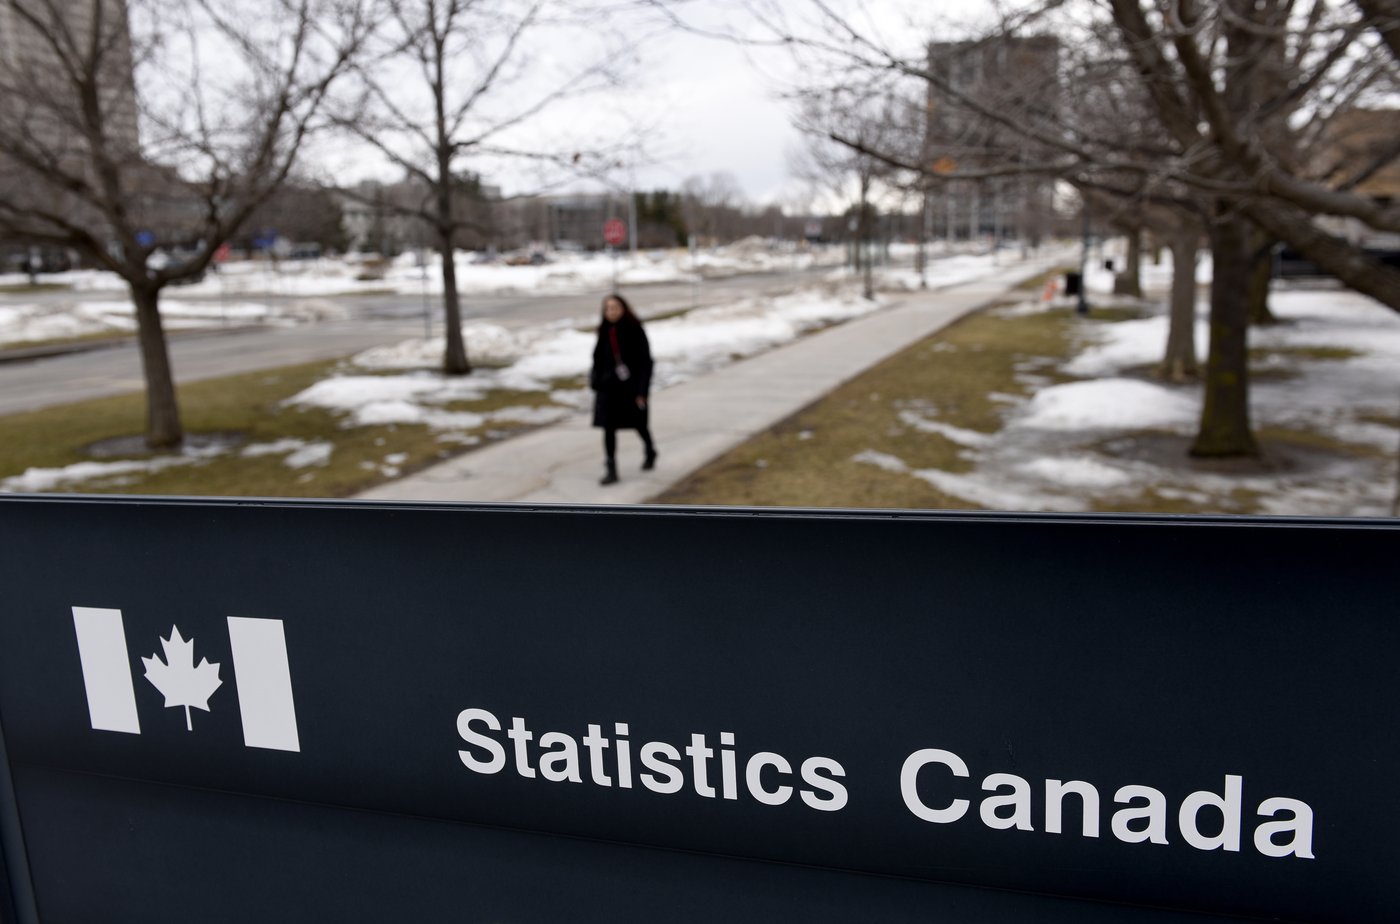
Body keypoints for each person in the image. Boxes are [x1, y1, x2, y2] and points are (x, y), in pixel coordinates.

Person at [590, 293, 657, 485]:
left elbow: (646, 362)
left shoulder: (635, 330)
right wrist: (595, 381)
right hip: (608, 390)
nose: (611, 312)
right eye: (608, 308)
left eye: (615, 308)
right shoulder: (603, 331)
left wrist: (642, 392)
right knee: (608, 429)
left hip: (630, 390)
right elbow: (597, 360)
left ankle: (650, 450)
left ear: (623, 309)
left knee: (640, 425)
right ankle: (611, 468)